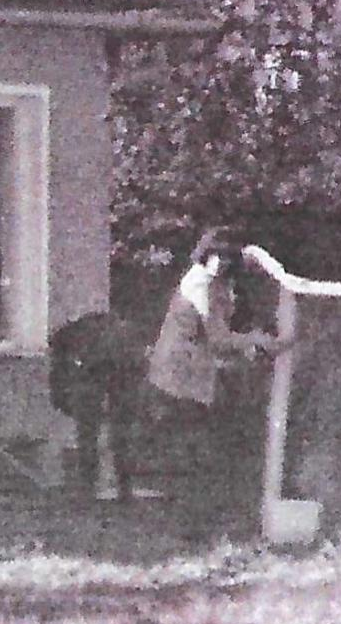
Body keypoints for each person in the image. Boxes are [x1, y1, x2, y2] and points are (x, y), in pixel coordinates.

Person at [143, 228, 279, 535]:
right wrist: (255, 339)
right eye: (219, 256)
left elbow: (218, 335)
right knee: (196, 452)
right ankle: (192, 526)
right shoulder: (200, 283)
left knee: (204, 451)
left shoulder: (216, 283)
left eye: (228, 258)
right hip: (177, 382)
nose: (222, 264)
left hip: (190, 379)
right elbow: (217, 339)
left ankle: (199, 521)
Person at [49, 310, 141, 500]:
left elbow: (59, 378)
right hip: (116, 359)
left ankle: (91, 483)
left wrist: (63, 398)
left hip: (104, 361)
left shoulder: (69, 340)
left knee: (89, 429)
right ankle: (123, 484)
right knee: (117, 429)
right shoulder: (118, 333)